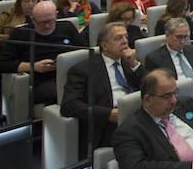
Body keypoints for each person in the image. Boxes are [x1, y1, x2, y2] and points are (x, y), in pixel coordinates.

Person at [61, 22, 144, 153]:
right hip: (108, 123)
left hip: (135, 113)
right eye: (118, 38)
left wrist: (134, 63)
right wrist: (108, 114)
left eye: (126, 37)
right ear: (104, 45)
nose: (125, 41)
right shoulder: (83, 69)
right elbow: (69, 106)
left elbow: (149, 87)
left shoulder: (128, 61)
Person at [0, 0, 84, 104]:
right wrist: (33, 66)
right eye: (42, 22)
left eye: (50, 21)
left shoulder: (67, 27)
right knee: (62, 92)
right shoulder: (21, 34)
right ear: (33, 19)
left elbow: (84, 51)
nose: (47, 26)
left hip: (68, 75)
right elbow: (2, 64)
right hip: (39, 80)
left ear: (56, 15)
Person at [145, 18, 193, 107]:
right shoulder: (154, 58)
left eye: (185, 37)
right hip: (177, 98)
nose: (182, 41)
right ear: (167, 35)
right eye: (178, 37)